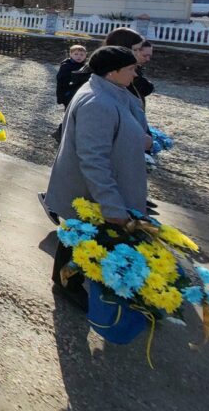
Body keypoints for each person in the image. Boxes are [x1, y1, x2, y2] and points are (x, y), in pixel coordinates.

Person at [43, 46, 152, 311]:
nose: (135, 73)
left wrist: (142, 139)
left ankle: (74, 279)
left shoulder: (113, 92)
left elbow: (121, 128)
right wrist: (112, 205)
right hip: (89, 190)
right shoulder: (97, 102)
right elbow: (93, 159)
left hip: (100, 187)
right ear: (112, 72)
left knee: (82, 237)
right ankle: (66, 283)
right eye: (130, 69)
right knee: (79, 237)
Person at [53, 44, 87, 142]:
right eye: (76, 54)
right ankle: (60, 133)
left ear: (85, 56)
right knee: (70, 114)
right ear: (71, 55)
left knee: (75, 114)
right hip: (68, 94)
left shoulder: (84, 66)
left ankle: (66, 133)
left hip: (77, 94)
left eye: (81, 54)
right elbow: (61, 81)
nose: (79, 56)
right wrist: (65, 93)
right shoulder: (66, 66)